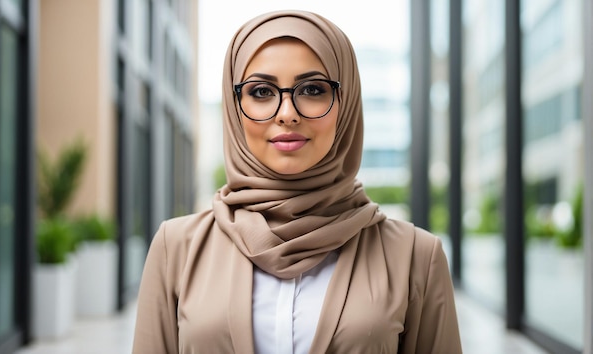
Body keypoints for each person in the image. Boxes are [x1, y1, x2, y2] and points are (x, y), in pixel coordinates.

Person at [132, 9, 462, 354]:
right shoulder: (177, 248)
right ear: (234, 106)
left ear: (345, 102)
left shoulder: (415, 255)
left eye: (313, 89)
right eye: (261, 92)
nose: (287, 112)